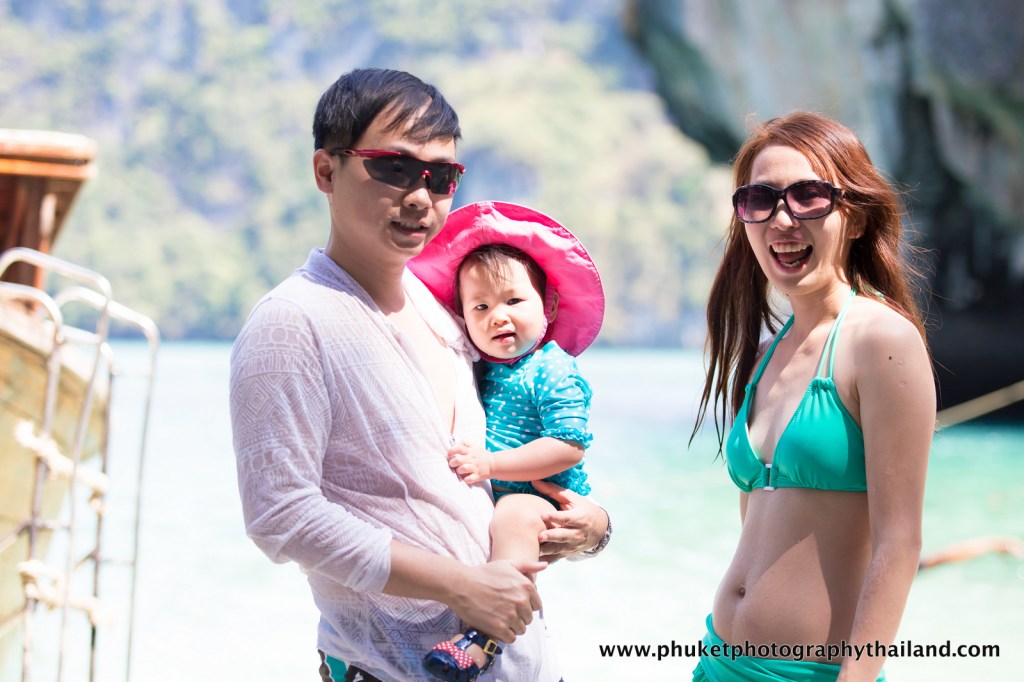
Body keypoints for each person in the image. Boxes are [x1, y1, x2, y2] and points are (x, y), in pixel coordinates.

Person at [229, 68, 610, 682]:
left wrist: (592, 529)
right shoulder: (291, 323)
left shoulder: (449, 314)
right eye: (395, 168)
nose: (419, 196)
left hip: (526, 664)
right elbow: (281, 514)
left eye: (441, 177)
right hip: (392, 667)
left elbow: (487, 477)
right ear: (326, 171)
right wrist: (460, 585)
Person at [691, 111, 935, 681]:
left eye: (808, 196)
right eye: (760, 199)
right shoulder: (763, 356)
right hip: (717, 662)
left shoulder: (881, 341)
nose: (783, 219)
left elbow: (900, 543)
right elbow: (759, 523)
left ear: (855, 218)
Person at [408, 201, 605, 680]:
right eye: (481, 307)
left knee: (514, 515)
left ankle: (484, 636)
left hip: (541, 496)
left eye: (514, 301)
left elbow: (568, 445)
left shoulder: (552, 368)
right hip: (502, 498)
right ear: (462, 317)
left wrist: (492, 466)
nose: (498, 316)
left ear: (548, 306)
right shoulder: (483, 369)